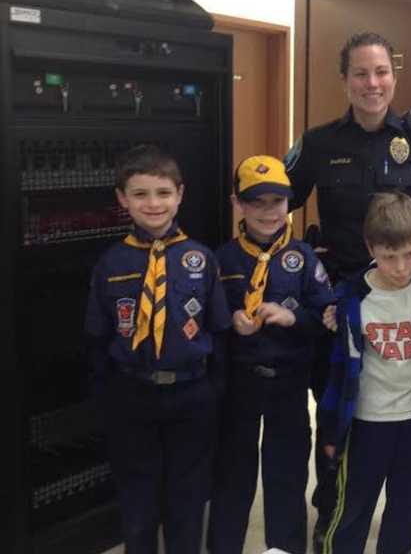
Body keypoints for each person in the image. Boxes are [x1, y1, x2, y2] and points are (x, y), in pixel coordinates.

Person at [284, 31, 411, 548]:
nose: (372, 83)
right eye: (360, 73)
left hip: (405, 300)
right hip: (344, 304)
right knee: (337, 410)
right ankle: (331, 512)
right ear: (345, 80)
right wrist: (293, 263)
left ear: (393, 76)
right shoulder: (318, 143)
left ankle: (403, 514)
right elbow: (275, 201)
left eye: (380, 72)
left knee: (405, 408)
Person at [85, 144, 231, 554]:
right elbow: (97, 337)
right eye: (141, 193)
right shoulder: (110, 264)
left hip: (191, 395)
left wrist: (212, 391)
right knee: (138, 501)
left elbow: (218, 332)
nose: (153, 203)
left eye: (163, 193)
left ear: (180, 194)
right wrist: (108, 396)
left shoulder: (201, 259)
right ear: (122, 199)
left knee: (188, 497)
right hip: (133, 394)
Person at [208, 155, 336, 554]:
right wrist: (230, 320)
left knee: (287, 472)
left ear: (289, 204)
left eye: (277, 201)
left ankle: (285, 548)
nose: (268, 211)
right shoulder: (222, 259)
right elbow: (207, 320)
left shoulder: (304, 258)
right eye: (256, 201)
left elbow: (326, 317)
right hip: (239, 384)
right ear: (237, 205)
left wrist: (291, 317)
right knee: (233, 473)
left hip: (288, 383)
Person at [318, 192, 411, 554]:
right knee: (351, 511)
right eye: (388, 257)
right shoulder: (351, 298)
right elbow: (338, 374)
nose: (400, 267)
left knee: (408, 513)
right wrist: (332, 429)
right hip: (366, 423)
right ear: (370, 248)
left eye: (410, 254)